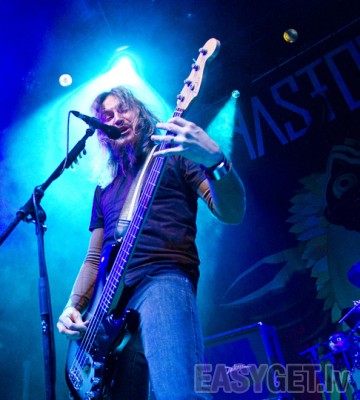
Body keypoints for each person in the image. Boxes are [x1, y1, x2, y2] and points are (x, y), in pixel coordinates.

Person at [56, 86, 246, 399]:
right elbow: (93, 258)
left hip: (161, 279)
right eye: (107, 116)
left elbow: (232, 212)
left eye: (123, 109)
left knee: (179, 391)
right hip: (109, 310)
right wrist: (72, 307)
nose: (116, 118)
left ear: (141, 113)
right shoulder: (104, 188)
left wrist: (215, 160)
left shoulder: (174, 156)